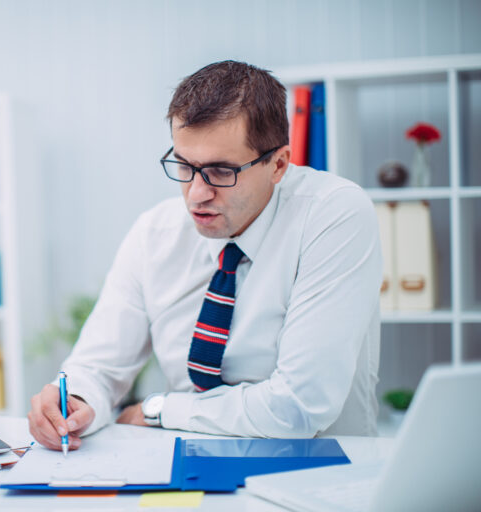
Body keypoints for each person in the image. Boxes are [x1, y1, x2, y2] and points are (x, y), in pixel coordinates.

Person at [28, 60, 382, 451]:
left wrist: (159, 410)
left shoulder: (332, 214)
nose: (196, 194)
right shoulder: (155, 233)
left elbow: (298, 407)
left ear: (278, 164)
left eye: (220, 171)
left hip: (316, 471)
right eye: (184, 164)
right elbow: (98, 365)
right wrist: (76, 402)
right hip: (185, 461)